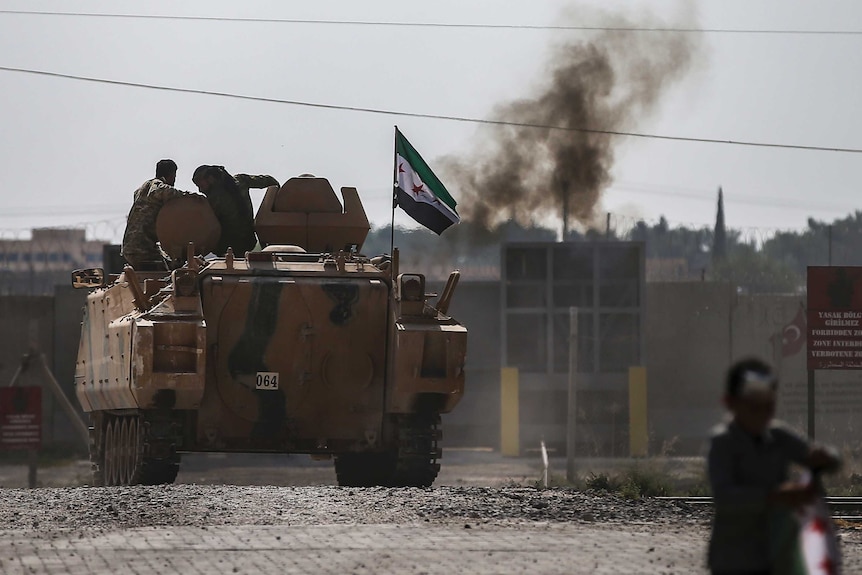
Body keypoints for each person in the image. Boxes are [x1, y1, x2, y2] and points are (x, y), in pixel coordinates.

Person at [707, 357, 841, 575]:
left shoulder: (778, 436)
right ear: (730, 403)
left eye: (768, 407)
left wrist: (826, 457)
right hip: (733, 559)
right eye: (754, 408)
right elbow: (725, 496)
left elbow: (829, 459)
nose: (762, 415)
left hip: (777, 556)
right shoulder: (723, 442)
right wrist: (774, 496)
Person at [121, 159, 195, 270]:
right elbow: (159, 191)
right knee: (167, 275)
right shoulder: (156, 185)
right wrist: (188, 196)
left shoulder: (143, 188)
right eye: (174, 176)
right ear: (171, 174)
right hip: (142, 247)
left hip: (131, 247)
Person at [193, 165, 279, 256]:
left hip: (229, 248)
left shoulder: (213, 200)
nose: (200, 190)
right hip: (250, 241)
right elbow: (271, 181)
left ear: (210, 178)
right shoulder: (241, 180)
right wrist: (276, 204)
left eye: (201, 185)